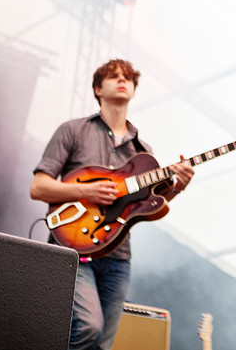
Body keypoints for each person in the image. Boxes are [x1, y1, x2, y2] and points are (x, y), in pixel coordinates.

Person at [30, 59, 195, 350]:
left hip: (118, 257)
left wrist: (177, 187)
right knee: (88, 328)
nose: (122, 80)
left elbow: (152, 206)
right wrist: (88, 192)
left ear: (133, 90)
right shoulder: (73, 130)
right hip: (72, 248)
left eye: (128, 78)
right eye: (113, 76)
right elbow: (39, 187)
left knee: (103, 345)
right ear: (97, 88)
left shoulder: (144, 154)